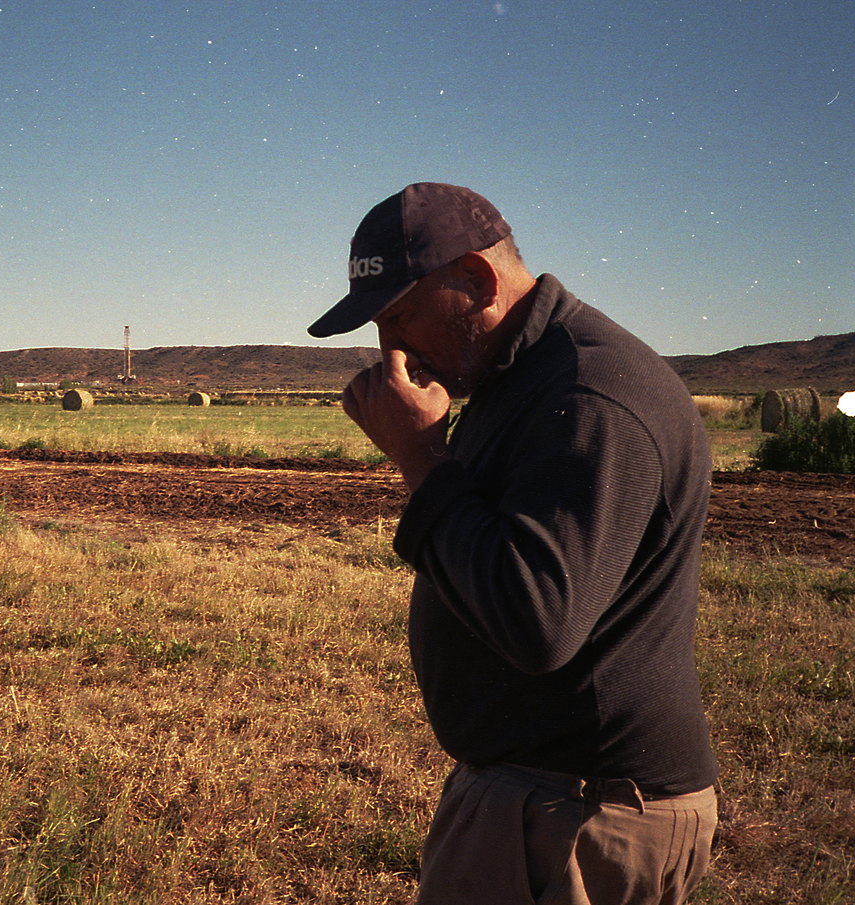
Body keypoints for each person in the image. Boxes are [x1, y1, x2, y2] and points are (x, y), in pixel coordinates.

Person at [308, 183, 718, 904]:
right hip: (545, 798)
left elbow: (536, 618)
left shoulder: (590, 394)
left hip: (575, 816)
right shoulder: (522, 378)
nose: (390, 347)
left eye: (401, 314)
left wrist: (421, 463)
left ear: (476, 279)